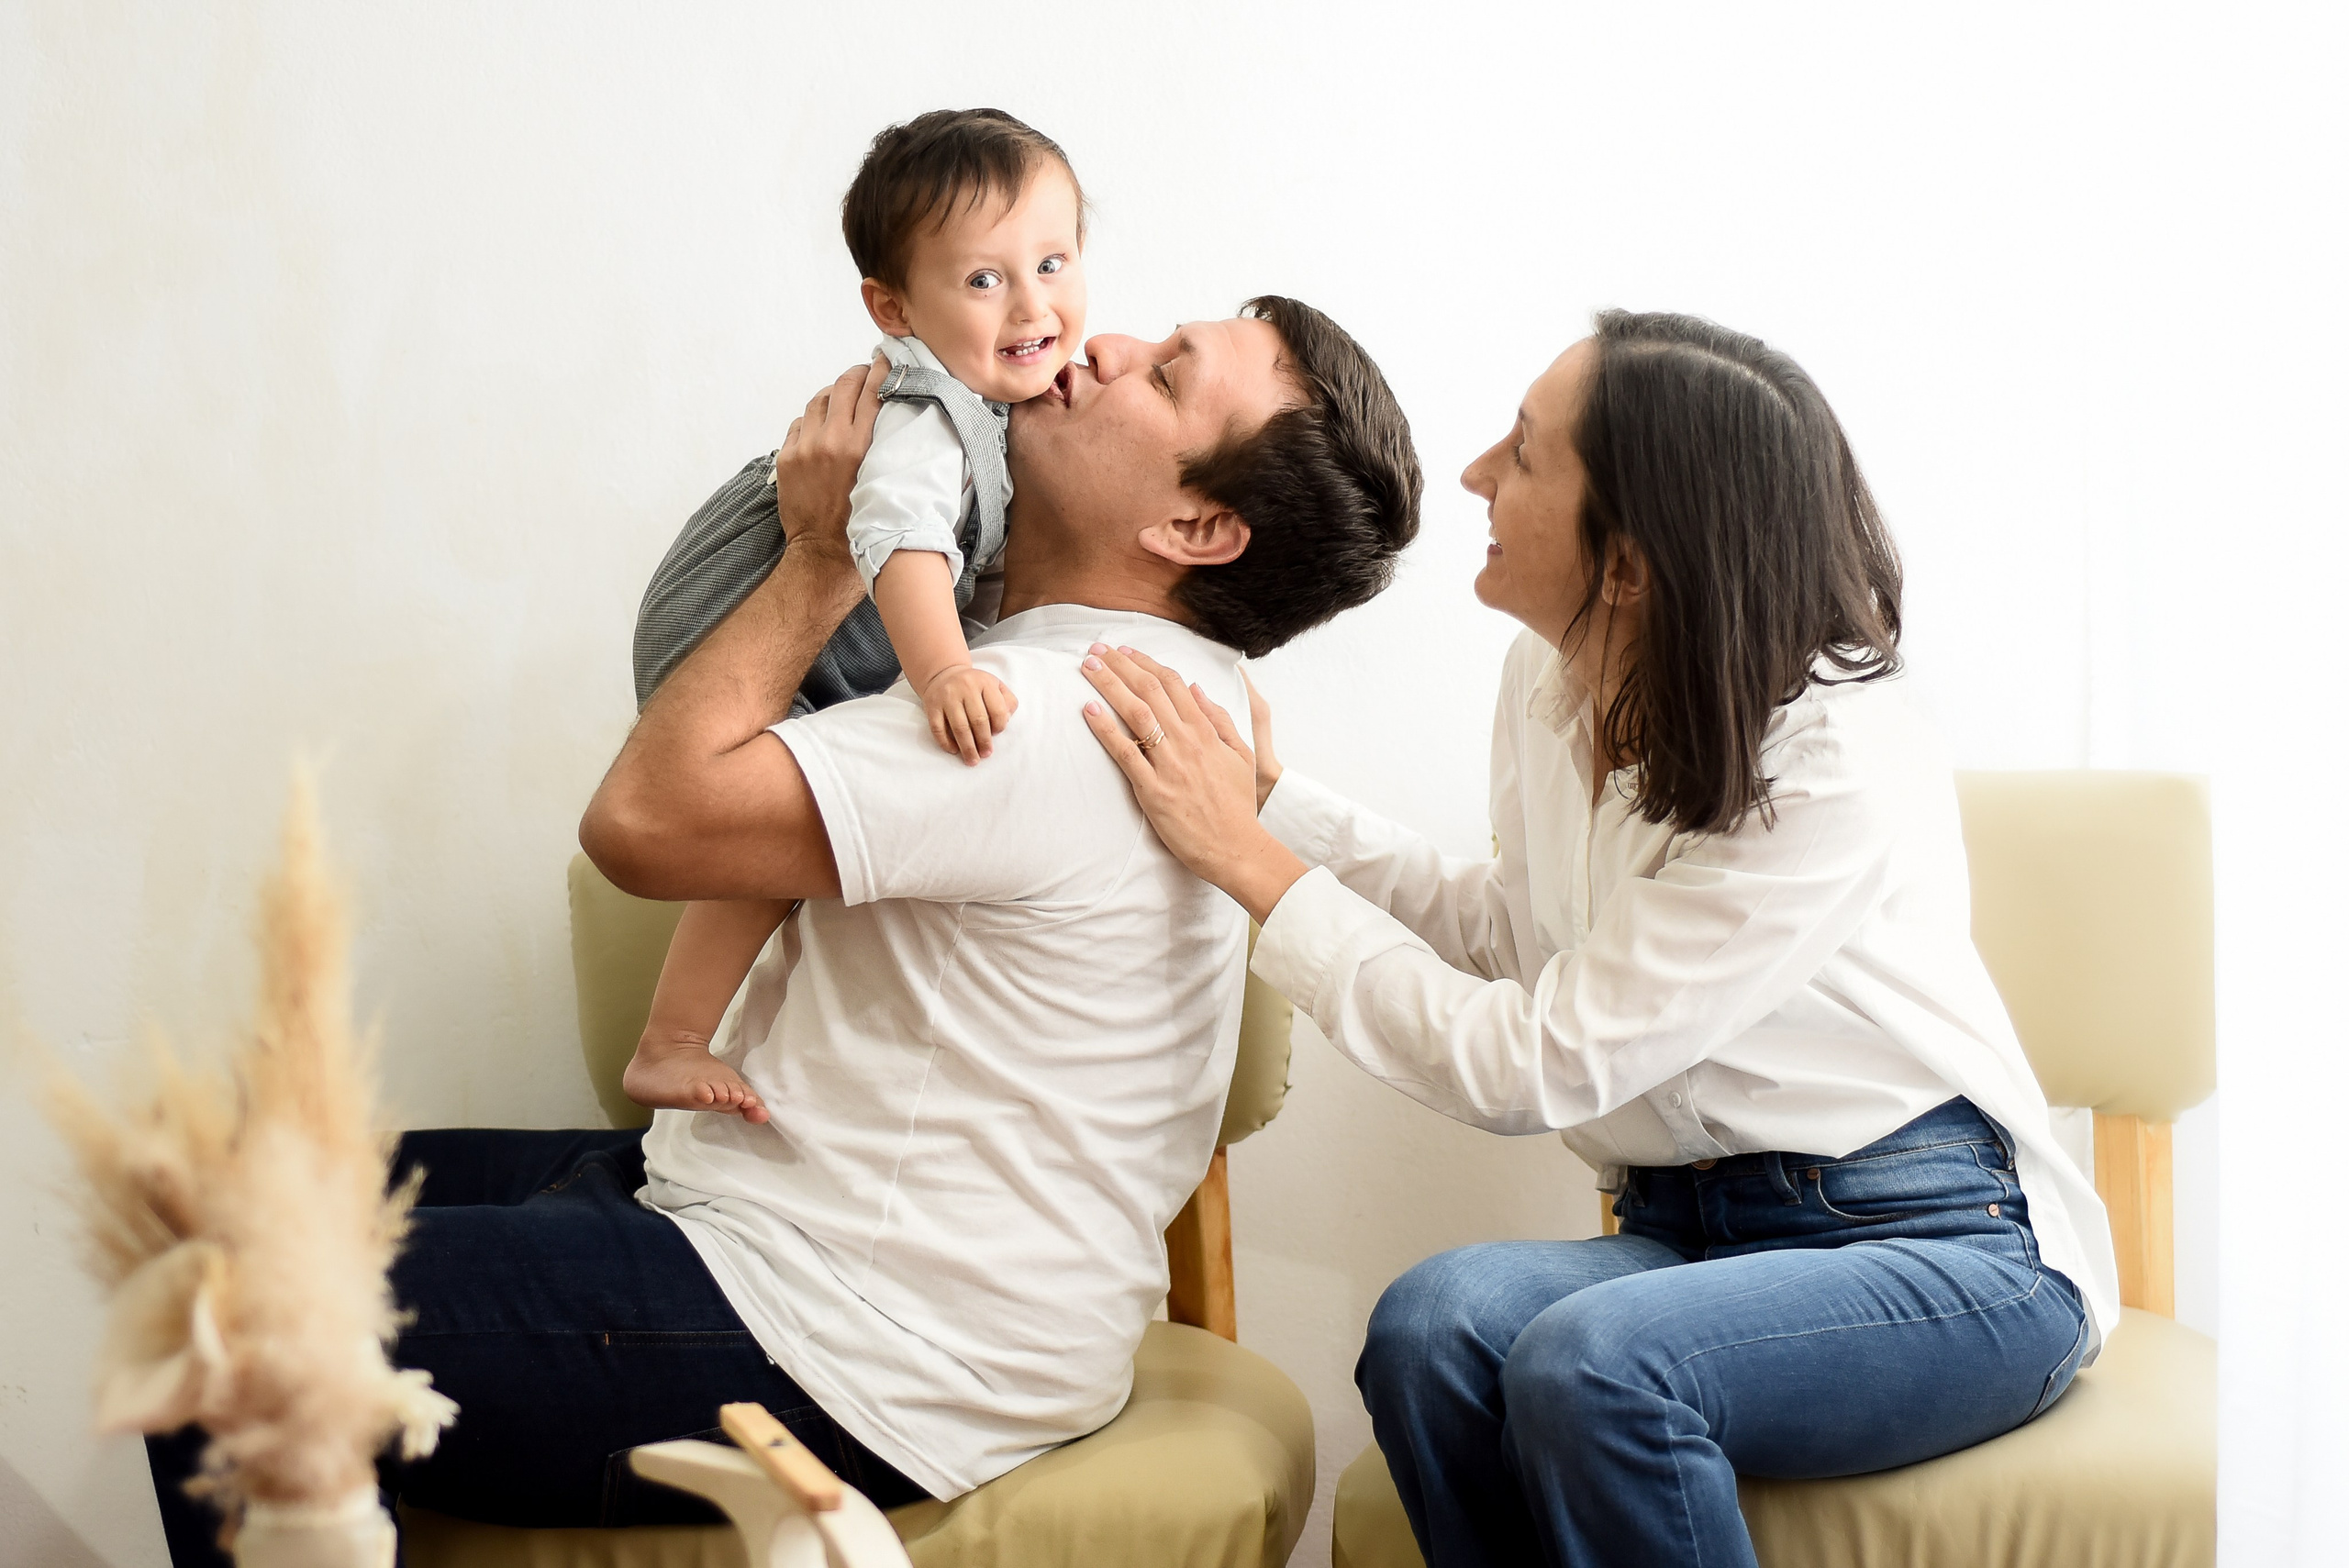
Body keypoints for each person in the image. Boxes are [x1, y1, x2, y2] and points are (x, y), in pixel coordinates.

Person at [145, 296, 1420, 1566]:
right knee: (237, 1198)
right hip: (797, 1242)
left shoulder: (1033, 719)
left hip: (846, 1339)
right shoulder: (1179, 694)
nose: (1106, 345)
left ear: (1196, 525)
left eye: (1168, 373)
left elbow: (642, 820)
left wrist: (824, 548)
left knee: (218, 1308)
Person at [1074, 310, 2118, 1568]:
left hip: (1943, 1246)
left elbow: (1536, 1062)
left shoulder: (1839, 753)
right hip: (1685, 1233)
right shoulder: (1549, 681)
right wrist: (1267, 803)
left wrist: (1251, 867)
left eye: (1521, 454)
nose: (1473, 478)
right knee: (1431, 1325)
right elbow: (1515, 940)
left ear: (1625, 562)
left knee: (1597, 1366)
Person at [624, 107, 1090, 1124]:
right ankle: (668, 1038)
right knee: (766, 841)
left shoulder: (1002, 405)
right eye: (984, 278)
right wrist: (943, 671)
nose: (1032, 305)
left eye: (1053, 263)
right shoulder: (929, 417)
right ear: (892, 306)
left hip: (821, 634)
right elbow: (902, 543)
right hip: (735, 613)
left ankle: (673, 1038)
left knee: (782, 850)